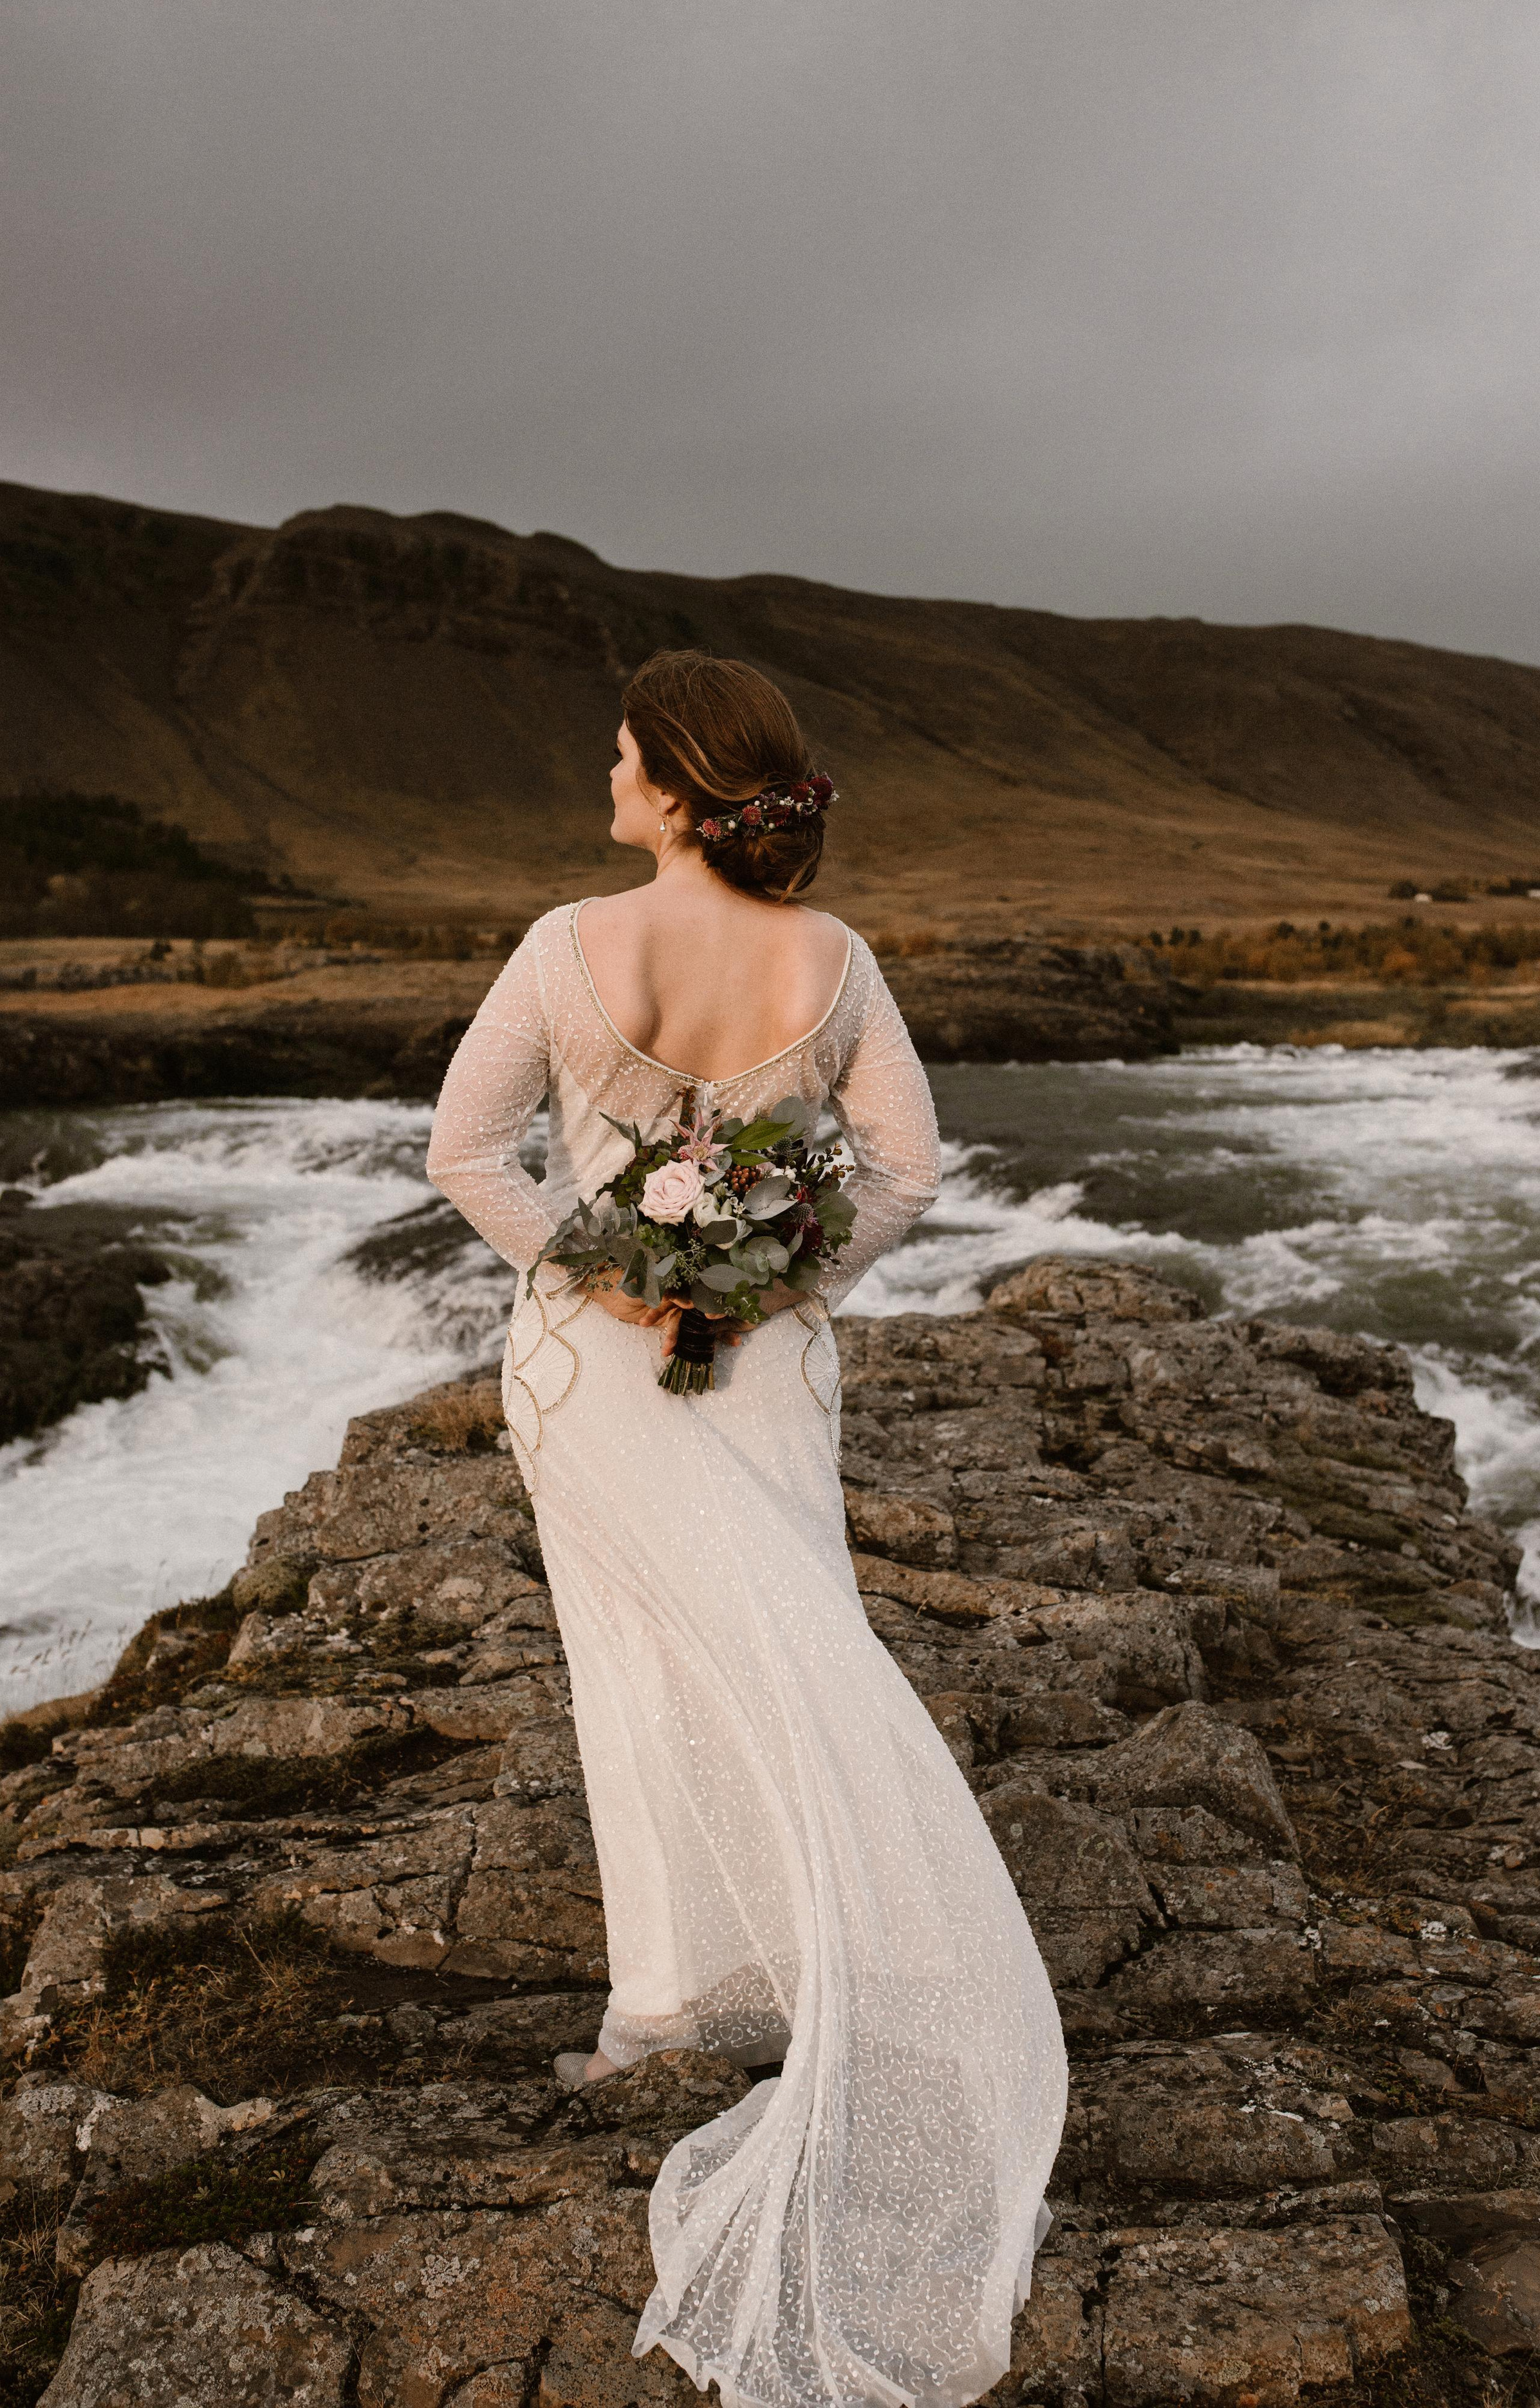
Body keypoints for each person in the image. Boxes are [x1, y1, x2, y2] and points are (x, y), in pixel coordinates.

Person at [425, 650, 1066, 2408]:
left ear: (682, 793)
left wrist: (620, 1278)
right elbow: (909, 1174)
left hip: (589, 1365)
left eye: (625, 754)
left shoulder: (570, 945)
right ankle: (742, 1965)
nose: (606, 772)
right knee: (795, 1641)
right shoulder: (834, 963)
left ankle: (676, 1992)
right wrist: (768, 1274)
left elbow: (469, 1153)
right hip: (763, 1364)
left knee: (640, 1662)